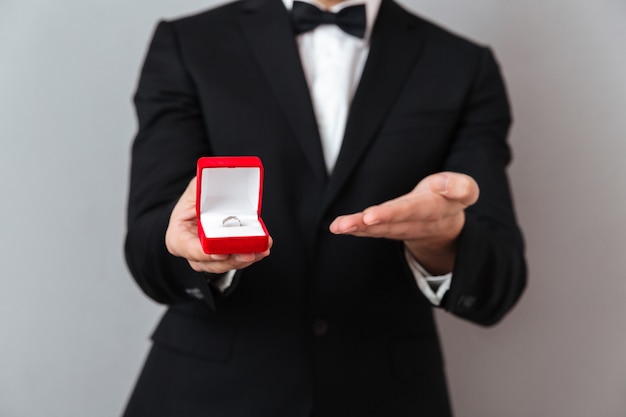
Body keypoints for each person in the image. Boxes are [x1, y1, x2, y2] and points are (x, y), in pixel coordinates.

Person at [123, 0, 527, 415]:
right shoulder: (188, 43)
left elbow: (499, 288)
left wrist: (443, 240)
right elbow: (147, 245)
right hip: (208, 394)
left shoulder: (463, 65)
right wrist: (189, 248)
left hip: (386, 397)